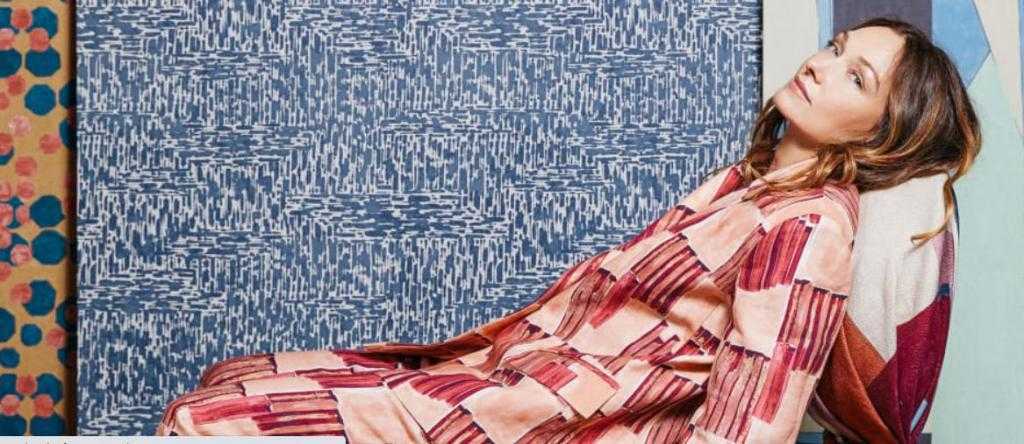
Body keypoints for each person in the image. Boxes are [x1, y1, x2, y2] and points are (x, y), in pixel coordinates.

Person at [155, 16, 979, 442]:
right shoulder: (750, 181)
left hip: (554, 420)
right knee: (229, 383)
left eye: (854, 77)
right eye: (835, 48)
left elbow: (752, 419)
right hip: (515, 378)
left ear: (883, 135)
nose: (819, 66)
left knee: (212, 423)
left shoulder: (811, 230)